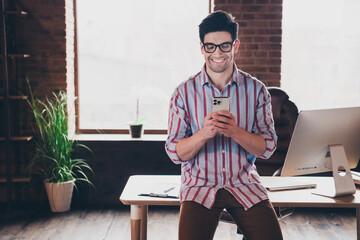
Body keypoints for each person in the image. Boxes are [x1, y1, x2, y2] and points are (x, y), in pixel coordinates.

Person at [165, 10, 283, 240]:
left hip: (244, 182)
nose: (217, 53)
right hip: (198, 185)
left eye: (224, 46)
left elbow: (267, 148)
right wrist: (204, 134)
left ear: (235, 46)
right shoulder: (183, 93)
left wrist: (235, 132)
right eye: (211, 46)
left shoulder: (257, 90)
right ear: (202, 48)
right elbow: (174, 152)